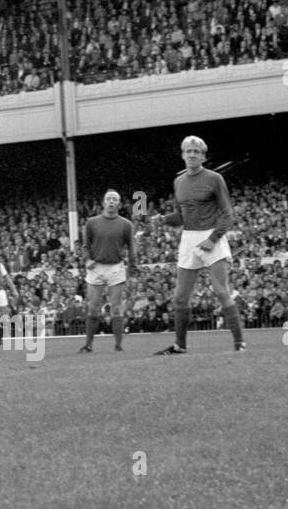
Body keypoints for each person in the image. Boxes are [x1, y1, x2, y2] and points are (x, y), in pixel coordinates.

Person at [147, 136, 246, 354]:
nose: (192, 154)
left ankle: (239, 343)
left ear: (203, 155)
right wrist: (163, 219)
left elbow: (227, 213)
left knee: (221, 291)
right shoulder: (179, 182)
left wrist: (212, 239)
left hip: (213, 236)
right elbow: (182, 215)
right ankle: (180, 345)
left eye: (196, 151)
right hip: (189, 238)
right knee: (180, 297)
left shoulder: (215, 178)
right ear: (182, 154)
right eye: (188, 151)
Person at [79, 189, 137, 352]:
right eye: (108, 199)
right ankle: (88, 344)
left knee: (116, 307)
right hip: (96, 267)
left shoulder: (126, 224)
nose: (111, 201)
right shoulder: (91, 222)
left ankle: (118, 345)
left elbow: (132, 248)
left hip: (116, 267)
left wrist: (133, 268)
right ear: (103, 202)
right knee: (93, 307)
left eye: (114, 199)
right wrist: (87, 259)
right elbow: (84, 245)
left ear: (119, 204)